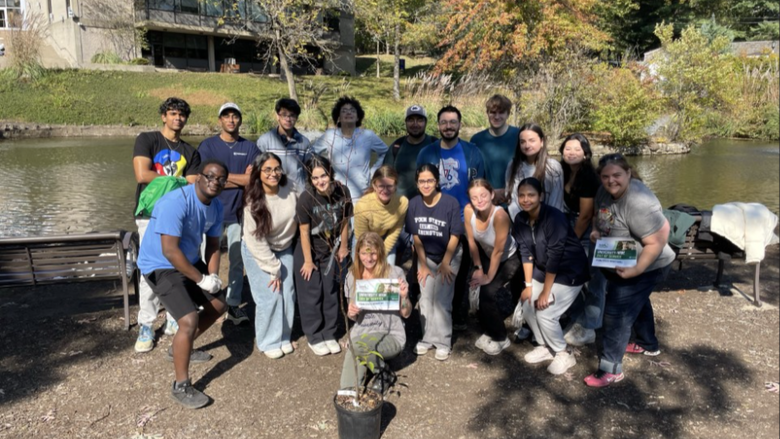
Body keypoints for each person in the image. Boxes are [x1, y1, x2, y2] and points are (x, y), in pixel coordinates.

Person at [136, 159, 228, 409]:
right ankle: (181, 385)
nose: (214, 182)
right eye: (210, 176)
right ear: (198, 177)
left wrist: (213, 277)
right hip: (160, 264)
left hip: (187, 259)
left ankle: (180, 347)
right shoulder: (175, 202)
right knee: (188, 319)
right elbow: (169, 251)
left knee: (219, 304)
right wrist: (201, 279)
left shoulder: (216, 206)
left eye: (220, 179)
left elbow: (212, 245)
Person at [584, 153, 675, 387]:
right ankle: (647, 344)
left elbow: (657, 241)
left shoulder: (638, 201)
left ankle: (611, 369)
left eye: (617, 175)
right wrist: (596, 231)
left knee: (616, 315)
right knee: (637, 302)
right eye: (605, 176)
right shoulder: (604, 191)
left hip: (647, 264)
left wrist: (637, 270)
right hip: (619, 259)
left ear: (628, 173)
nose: (611, 181)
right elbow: (600, 216)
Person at [132, 97, 201, 353]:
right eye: (172, 113)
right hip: (149, 214)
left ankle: (175, 314)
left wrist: (170, 181)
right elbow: (142, 174)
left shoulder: (190, 151)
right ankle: (147, 323)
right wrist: (178, 180)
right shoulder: (147, 140)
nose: (177, 118)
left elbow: (194, 183)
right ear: (164, 116)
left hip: (178, 214)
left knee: (178, 264)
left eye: (182, 115)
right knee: (149, 269)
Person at [417, 105, 487, 331]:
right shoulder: (427, 152)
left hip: (464, 218)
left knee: (459, 268)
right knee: (429, 265)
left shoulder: (473, 152)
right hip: (434, 219)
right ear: (438, 125)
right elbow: (422, 184)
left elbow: (480, 186)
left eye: (453, 122)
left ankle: (454, 314)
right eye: (444, 122)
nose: (448, 126)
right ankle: (428, 315)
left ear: (459, 124)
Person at [512, 177, 589, 376]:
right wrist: (528, 285)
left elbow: (555, 256)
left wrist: (546, 292)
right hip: (543, 268)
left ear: (541, 196)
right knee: (528, 302)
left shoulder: (554, 218)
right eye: (522, 195)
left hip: (569, 271)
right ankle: (545, 345)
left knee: (545, 311)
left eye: (531, 195)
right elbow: (525, 253)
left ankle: (564, 352)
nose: (526, 199)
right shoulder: (520, 220)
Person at [197, 102, 258, 327]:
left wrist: (221, 179)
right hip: (209, 211)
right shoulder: (208, 145)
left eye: (235, 116)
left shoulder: (250, 148)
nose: (231, 120)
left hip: (237, 212)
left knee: (236, 259)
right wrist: (238, 178)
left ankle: (232, 304)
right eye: (226, 116)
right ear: (220, 120)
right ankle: (205, 299)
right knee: (205, 258)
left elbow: (252, 180)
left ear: (239, 120)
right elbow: (204, 179)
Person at [294, 154, 353, 356]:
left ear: (330, 173)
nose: (320, 181)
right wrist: (308, 261)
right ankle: (314, 335)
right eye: (315, 178)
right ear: (310, 179)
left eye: (323, 176)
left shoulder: (342, 191)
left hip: (332, 250)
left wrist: (344, 246)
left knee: (330, 291)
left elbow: (345, 221)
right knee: (312, 294)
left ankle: (329, 332)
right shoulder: (306, 198)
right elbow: (303, 231)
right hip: (309, 250)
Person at [241, 152, 298, 359]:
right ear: (258, 173)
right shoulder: (252, 199)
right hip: (258, 250)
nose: (273, 174)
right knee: (270, 294)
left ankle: (284, 335)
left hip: (284, 246)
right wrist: (273, 269)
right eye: (267, 170)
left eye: (277, 169)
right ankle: (268, 340)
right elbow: (255, 241)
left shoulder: (290, 187)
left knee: (288, 292)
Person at [405, 164, 464, 361]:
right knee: (425, 297)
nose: (426, 185)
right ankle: (428, 338)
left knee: (442, 299)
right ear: (417, 183)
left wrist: (446, 262)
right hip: (426, 256)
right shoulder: (413, 204)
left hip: (450, 253)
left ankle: (443, 342)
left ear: (437, 181)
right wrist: (422, 264)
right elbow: (416, 237)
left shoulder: (450, 203)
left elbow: (455, 235)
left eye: (430, 180)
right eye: (422, 181)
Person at [340, 232, 412, 392]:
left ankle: (384, 374)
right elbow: (352, 316)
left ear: (380, 252)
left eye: (373, 253)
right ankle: (353, 399)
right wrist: (351, 311)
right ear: (357, 253)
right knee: (347, 390)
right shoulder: (352, 277)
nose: (369, 258)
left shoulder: (395, 273)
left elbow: (406, 314)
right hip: (363, 333)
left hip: (390, 334)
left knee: (357, 346)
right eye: (364, 253)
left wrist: (404, 297)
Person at [464, 179, 520, 356]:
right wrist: (478, 268)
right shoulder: (468, 211)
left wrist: (488, 276)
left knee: (488, 291)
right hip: (487, 256)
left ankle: (501, 337)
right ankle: (488, 329)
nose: (479, 200)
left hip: (509, 257)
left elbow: (498, 250)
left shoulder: (500, 215)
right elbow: (472, 242)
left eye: (483, 195)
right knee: (476, 286)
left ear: (492, 195)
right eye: (474, 197)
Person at [556, 133, 602, 347]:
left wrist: (570, 242)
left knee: (585, 280)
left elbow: (584, 215)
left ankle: (588, 326)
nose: (571, 153)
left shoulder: (588, 176)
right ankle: (577, 319)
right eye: (567, 149)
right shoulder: (562, 171)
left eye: (577, 149)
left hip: (583, 230)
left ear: (585, 153)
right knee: (567, 276)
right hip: (566, 223)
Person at [312, 96, 388, 205]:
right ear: (338, 117)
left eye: (352, 110)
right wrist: (323, 174)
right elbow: (312, 153)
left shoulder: (368, 135)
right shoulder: (330, 135)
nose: (348, 113)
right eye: (344, 111)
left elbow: (386, 152)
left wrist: (374, 171)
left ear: (358, 117)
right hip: (336, 191)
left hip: (362, 191)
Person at [505, 123, 564, 221]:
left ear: (541, 142)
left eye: (532, 141)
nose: (527, 145)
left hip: (549, 225)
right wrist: (523, 223)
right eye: (523, 142)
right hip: (521, 225)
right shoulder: (513, 166)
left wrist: (544, 225)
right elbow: (512, 200)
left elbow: (556, 202)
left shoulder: (553, 167)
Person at [469, 94, 520, 204]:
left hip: (516, 199)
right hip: (486, 201)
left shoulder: (518, 136)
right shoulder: (477, 140)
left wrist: (507, 191)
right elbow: (474, 173)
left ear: (508, 114)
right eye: (493, 112)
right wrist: (490, 192)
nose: (497, 117)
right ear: (487, 113)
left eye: (501, 112)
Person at [353, 165, 408, 265]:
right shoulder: (362, 206)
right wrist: (371, 255)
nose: (385, 190)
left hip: (385, 239)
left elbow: (395, 231)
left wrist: (382, 253)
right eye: (381, 186)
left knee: (388, 268)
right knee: (363, 269)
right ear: (374, 185)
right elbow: (362, 237)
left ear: (395, 186)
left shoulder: (402, 203)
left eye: (390, 186)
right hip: (363, 240)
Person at [256, 98, 312, 194]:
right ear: (277, 116)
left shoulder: (304, 143)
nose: (288, 119)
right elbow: (257, 171)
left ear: (297, 118)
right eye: (284, 115)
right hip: (273, 193)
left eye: (292, 115)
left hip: (298, 194)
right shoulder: (264, 141)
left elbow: (310, 170)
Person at [383, 104, 438, 200]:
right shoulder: (397, 146)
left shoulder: (436, 145)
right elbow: (385, 177)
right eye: (411, 120)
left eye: (420, 120)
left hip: (430, 204)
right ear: (405, 123)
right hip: (401, 206)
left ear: (426, 123)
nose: (415, 124)